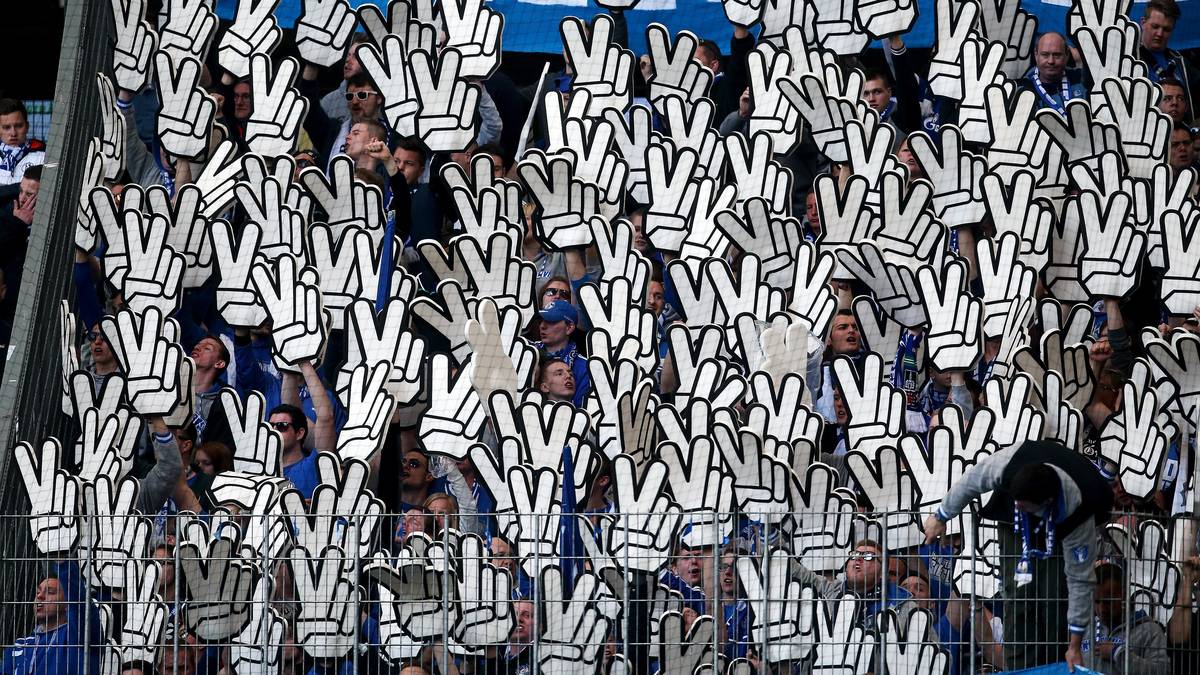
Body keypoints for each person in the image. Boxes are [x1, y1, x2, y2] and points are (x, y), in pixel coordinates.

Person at [924, 439, 1115, 670]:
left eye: (1022, 507)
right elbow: (971, 481)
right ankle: (1018, 669)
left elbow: (1080, 581)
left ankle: (1054, 667)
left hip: (1062, 525)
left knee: (1055, 599)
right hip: (1013, 525)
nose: (1018, 508)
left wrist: (1074, 646)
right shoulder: (1009, 463)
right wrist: (941, 515)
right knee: (1019, 599)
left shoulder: (1081, 513)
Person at [0, 559, 104, 674]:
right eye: (37, 592)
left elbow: (80, 602)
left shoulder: (78, 637)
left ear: (68, 603)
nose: (40, 596)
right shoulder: (19, 646)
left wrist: (63, 561)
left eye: (50, 592)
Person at [1087, 561, 1171, 673]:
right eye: (1097, 601)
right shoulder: (1086, 629)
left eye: (1108, 602)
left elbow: (1163, 671)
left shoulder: (1149, 631)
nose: (1101, 609)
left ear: (1124, 595)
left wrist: (1118, 654)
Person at [1139, 0, 1200, 109]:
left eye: (1166, 29)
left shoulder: (1180, 62)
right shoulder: (1128, 58)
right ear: (1143, 23)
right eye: (1155, 26)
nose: (1160, 34)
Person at [536, 300, 590, 407]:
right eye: (542, 320)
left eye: (551, 321)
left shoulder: (585, 367)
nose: (542, 326)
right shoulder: (526, 352)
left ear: (569, 327)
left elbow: (580, 408)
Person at [1017, 33, 1087, 114]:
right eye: (1045, 55)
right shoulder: (1023, 90)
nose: (1051, 61)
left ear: (1067, 55)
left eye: (1057, 55)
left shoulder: (1081, 79)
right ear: (1036, 55)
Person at [0, 99, 46, 186]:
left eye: (18, 126)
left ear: (27, 126)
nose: (13, 133)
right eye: (6, 127)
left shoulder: (43, 156)